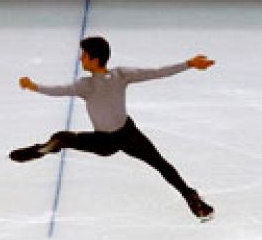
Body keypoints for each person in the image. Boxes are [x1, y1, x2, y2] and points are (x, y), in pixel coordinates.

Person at [14, 36, 215, 222]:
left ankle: (47, 147)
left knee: (62, 136)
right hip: (126, 134)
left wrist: (34, 86)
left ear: (94, 59)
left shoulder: (86, 85)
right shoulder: (120, 74)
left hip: (107, 141)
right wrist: (188, 64)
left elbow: (59, 90)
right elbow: (156, 72)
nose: (80, 59)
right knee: (161, 164)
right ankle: (191, 197)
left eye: (83, 55)